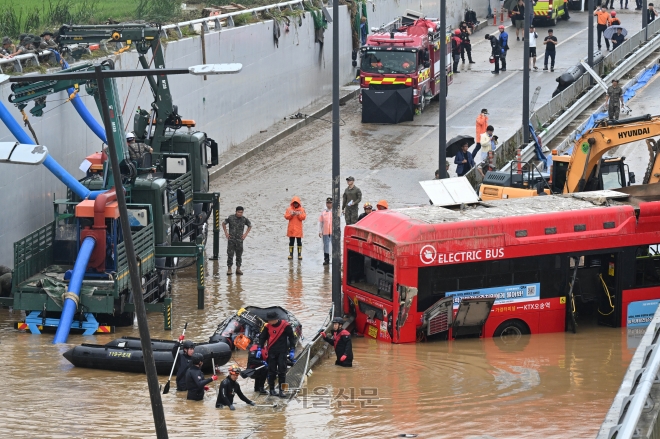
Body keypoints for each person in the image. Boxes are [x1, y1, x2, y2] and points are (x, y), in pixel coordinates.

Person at [258, 311, 296, 398]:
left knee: (282, 372)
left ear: (275, 319)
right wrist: (259, 348)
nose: (269, 322)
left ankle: (282, 391)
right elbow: (262, 337)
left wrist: (292, 349)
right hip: (271, 351)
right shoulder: (267, 327)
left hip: (282, 352)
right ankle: (272, 390)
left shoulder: (285, 325)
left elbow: (291, 337)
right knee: (272, 371)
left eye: (270, 320)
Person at [222, 206, 252, 275]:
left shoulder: (244, 219)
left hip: (239, 240)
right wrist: (226, 233)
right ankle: (229, 269)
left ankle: (238, 269)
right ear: (236, 212)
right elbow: (223, 223)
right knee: (230, 254)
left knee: (239, 255)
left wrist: (245, 234)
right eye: (239, 212)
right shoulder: (230, 218)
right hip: (231, 239)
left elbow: (250, 225)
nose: (240, 214)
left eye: (241, 212)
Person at [318, 197, 332, 265]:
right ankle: (326, 259)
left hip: (333, 232)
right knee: (326, 246)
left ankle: (334, 259)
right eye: (327, 203)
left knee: (333, 246)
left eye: (330, 203)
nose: (329, 204)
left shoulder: (335, 212)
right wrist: (320, 231)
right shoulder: (323, 212)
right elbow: (320, 223)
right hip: (325, 232)